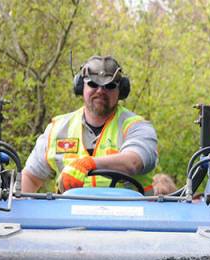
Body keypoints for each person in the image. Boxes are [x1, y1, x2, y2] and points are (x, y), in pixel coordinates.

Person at [20, 55, 158, 194]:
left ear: (121, 91)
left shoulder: (137, 127)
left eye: (109, 86)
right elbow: (31, 177)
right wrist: (20, 206)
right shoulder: (57, 129)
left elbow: (133, 162)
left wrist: (89, 164)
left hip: (130, 213)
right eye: (93, 84)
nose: (100, 91)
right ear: (80, 86)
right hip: (68, 214)